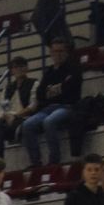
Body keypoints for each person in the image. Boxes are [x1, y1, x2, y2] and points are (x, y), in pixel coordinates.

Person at [22, 38, 82, 168]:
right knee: (27, 125)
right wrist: (58, 89)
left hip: (67, 106)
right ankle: (35, 162)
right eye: (55, 51)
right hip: (48, 108)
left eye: (61, 51)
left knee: (49, 122)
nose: (58, 54)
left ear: (66, 52)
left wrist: (51, 91)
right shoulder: (49, 71)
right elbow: (40, 93)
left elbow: (70, 90)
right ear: (51, 53)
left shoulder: (74, 68)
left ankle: (54, 160)